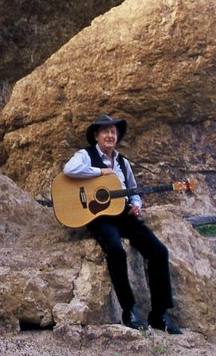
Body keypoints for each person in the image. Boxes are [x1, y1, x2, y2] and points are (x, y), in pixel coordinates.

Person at [62, 113, 181, 333]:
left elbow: (134, 191)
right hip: (99, 215)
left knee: (158, 251)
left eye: (113, 131)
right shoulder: (85, 156)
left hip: (124, 214)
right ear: (96, 135)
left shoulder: (123, 162)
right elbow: (69, 170)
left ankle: (159, 315)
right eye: (105, 131)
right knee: (116, 250)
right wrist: (100, 171)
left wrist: (136, 205)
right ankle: (129, 311)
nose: (110, 135)